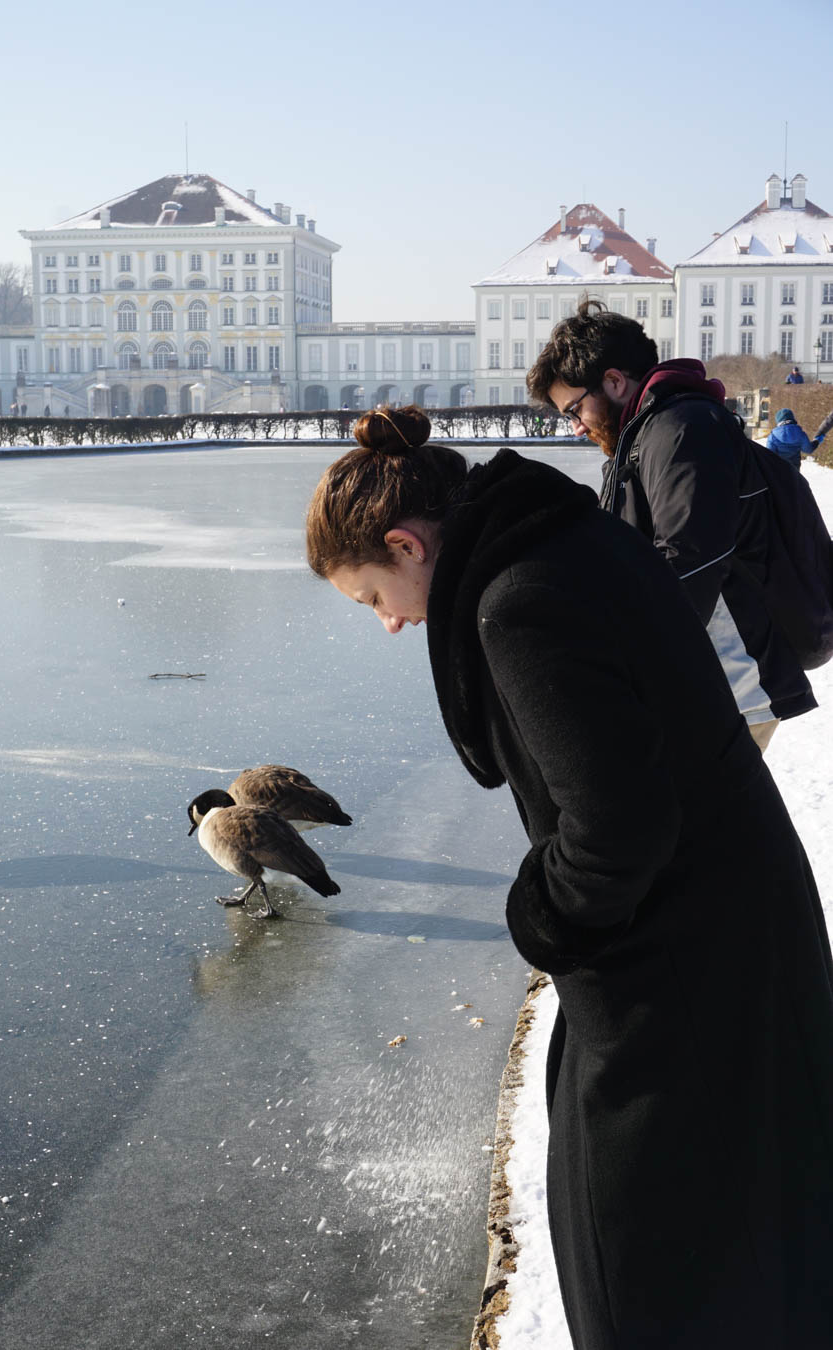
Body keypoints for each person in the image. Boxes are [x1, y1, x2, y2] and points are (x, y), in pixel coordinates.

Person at [305, 405, 833, 1349]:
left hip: (678, 975)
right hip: (736, 930)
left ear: (404, 542)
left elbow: (615, 828)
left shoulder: (520, 601)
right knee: (751, 1221)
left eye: (371, 595)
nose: (387, 622)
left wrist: (538, 917)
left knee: (650, 1261)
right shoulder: (567, 537)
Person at [527, 298, 816, 753]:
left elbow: (691, 560)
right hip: (710, 682)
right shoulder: (648, 434)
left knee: (711, 824)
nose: (576, 427)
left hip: (727, 682)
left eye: (573, 410)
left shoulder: (680, 429)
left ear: (615, 381)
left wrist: (631, 667)